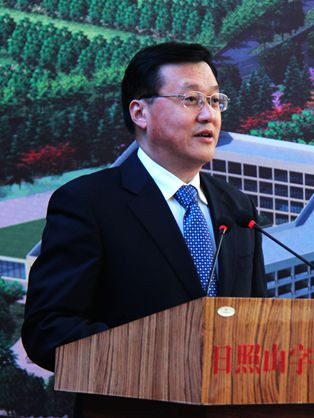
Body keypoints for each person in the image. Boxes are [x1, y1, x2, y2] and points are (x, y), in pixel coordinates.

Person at [22, 42, 267, 372]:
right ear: (140, 113)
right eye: (191, 99)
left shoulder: (236, 207)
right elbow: (48, 331)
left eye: (214, 100)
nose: (208, 114)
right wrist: (159, 357)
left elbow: (258, 318)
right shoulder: (88, 203)